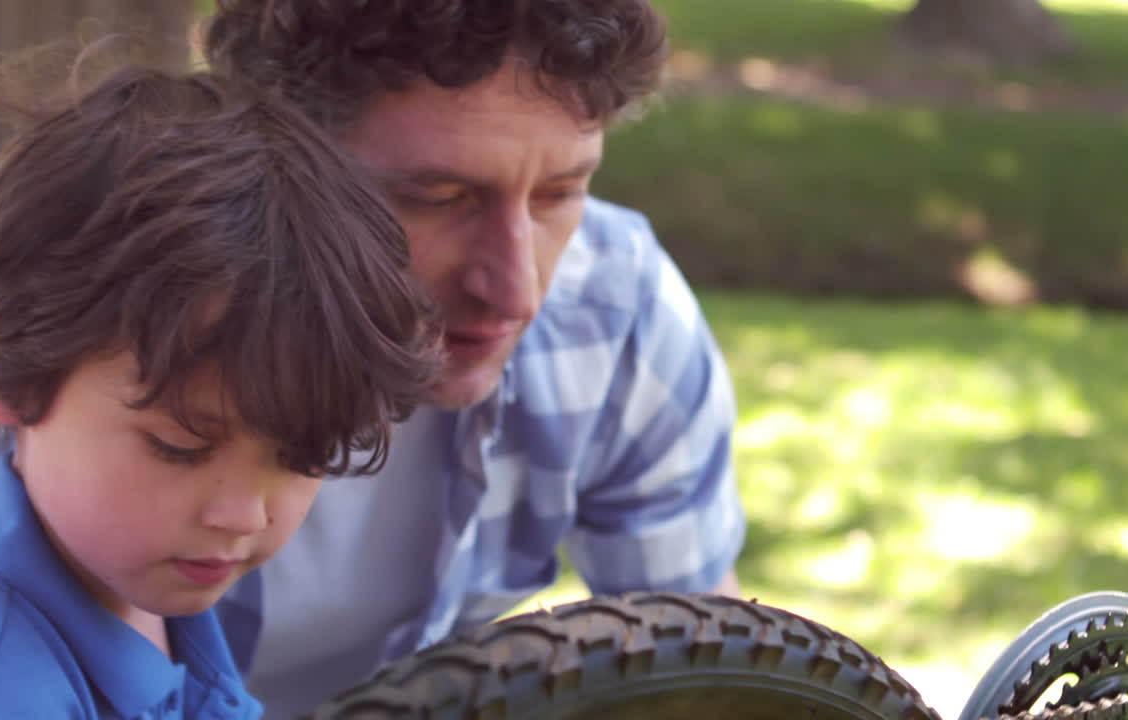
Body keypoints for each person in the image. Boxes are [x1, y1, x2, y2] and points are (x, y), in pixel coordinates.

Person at [197, 1, 749, 716]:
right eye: (439, 198)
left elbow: (707, 679)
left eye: (559, 194)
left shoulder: (614, 312)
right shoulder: (47, 302)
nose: (516, 290)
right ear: (267, 156)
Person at [0, 64, 441, 718]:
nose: (244, 516)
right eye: (180, 447)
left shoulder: (149, 598)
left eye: (305, 457)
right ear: (3, 372)